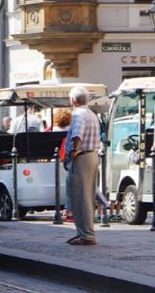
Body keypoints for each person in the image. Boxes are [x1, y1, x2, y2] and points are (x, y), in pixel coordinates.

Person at [65, 86, 101, 246]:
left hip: (82, 157)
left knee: (81, 198)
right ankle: (83, 232)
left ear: (73, 100)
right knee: (88, 196)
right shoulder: (91, 114)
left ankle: (86, 235)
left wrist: (74, 151)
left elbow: (77, 135)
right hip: (92, 155)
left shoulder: (78, 114)